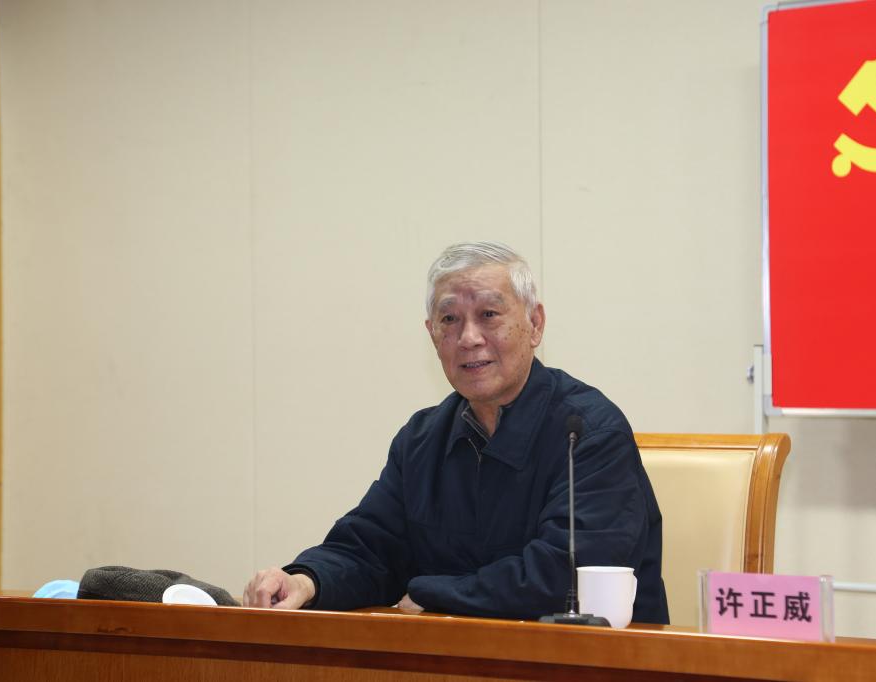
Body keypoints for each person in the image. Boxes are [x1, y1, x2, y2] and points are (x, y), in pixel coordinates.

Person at [243, 241, 669, 623]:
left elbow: (567, 577)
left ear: (535, 324)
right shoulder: (422, 439)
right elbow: (371, 548)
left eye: (489, 315)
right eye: (449, 319)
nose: (468, 338)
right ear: (431, 334)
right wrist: (306, 580)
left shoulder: (589, 432)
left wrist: (434, 592)